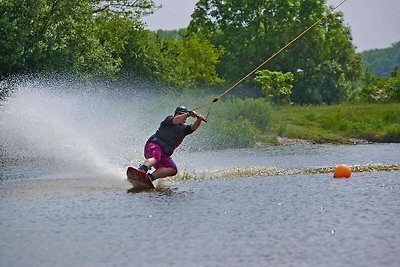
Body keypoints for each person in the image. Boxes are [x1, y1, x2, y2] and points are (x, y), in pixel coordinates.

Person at [137, 106, 206, 181]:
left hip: (164, 155)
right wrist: (188, 114)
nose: (181, 116)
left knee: (172, 170)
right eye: (179, 114)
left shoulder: (184, 129)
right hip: (153, 146)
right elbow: (176, 120)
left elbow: (193, 127)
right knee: (155, 157)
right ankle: (142, 170)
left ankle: (149, 178)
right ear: (175, 114)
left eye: (182, 114)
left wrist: (199, 120)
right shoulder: (169, 120)